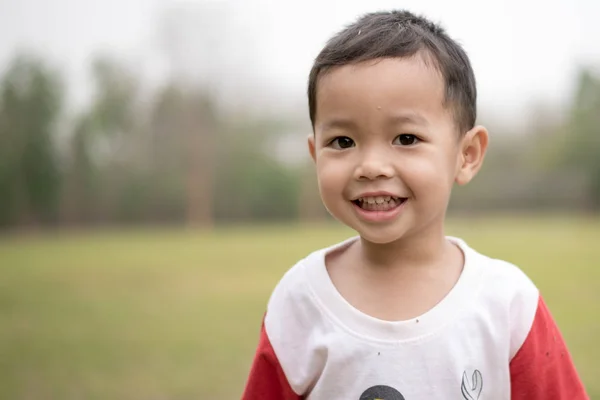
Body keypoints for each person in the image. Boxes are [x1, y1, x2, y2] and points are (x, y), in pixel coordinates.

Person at [241, 9, 588, 400]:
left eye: (405, 138)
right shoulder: (300, 301)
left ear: (467, 154)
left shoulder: (507, 304)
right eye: (342, 142)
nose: (370, 167)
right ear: (315, 153)